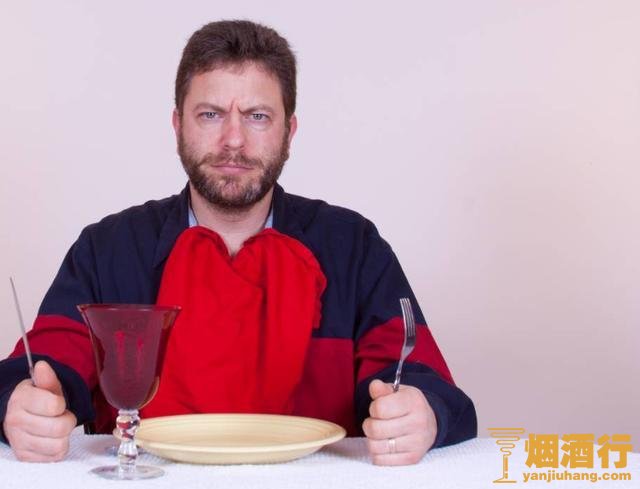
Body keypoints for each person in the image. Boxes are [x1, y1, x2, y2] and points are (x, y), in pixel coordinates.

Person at [0, 20, 476, 466]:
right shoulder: (108, 249)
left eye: (257, 116)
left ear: (289, 131)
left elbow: (420, 378)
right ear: (178, 125)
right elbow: (40, 368)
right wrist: (19, 405)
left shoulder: (354, 246)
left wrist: (423, 413)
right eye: (210, 114)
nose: (233, 140)